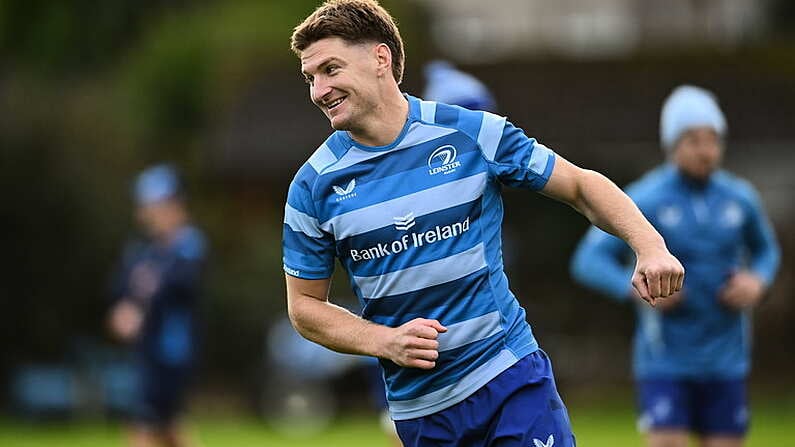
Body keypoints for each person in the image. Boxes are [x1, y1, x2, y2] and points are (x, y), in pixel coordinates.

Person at [282, 1, 684, 445]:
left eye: (330, 69)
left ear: (381, 58)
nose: (319, 90)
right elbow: (304, 308)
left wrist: (650, 245)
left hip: (509, 377)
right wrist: (383, 341)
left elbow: (579, 185)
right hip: (421, 413)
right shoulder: (313, 185)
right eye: (310, 78)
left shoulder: (472, 134)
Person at [570, 85, 780, 447]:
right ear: (672, 143)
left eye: (713, 140)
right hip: (664, 359)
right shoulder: (644, 197)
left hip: (726, 358)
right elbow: (588, 259)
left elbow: (766, 251)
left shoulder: (739, 198)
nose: (706, 151)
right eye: (694, 140)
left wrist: (757, 281)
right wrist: (633, 288)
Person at [108, 164, 206, 447]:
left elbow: (175, 287)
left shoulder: (189, 246)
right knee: (167, 426)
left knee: (147, 426)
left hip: (172, 352)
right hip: (147, 352)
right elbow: (120, 289)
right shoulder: (143, 251)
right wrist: (122, 311)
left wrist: (139, 309)